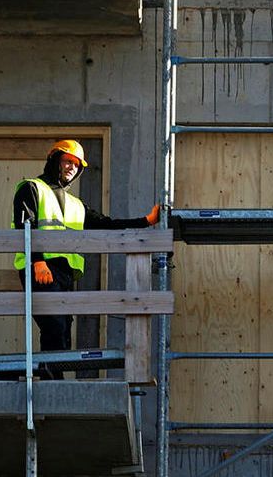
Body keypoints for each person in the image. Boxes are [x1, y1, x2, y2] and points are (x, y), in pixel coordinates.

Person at [12, 139, 161, 362]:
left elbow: (107, 224)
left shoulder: (76, 204)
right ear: (55, 160)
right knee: (53, 325)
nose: (72, 167)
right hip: (41, 269)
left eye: (76, 164)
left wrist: (146, 221)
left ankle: (55, 378)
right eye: (68, 161)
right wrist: (37, 262)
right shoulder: (32, 188)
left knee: (62, 329)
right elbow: (26, 227)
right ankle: (53, 380)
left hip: (64, 274)